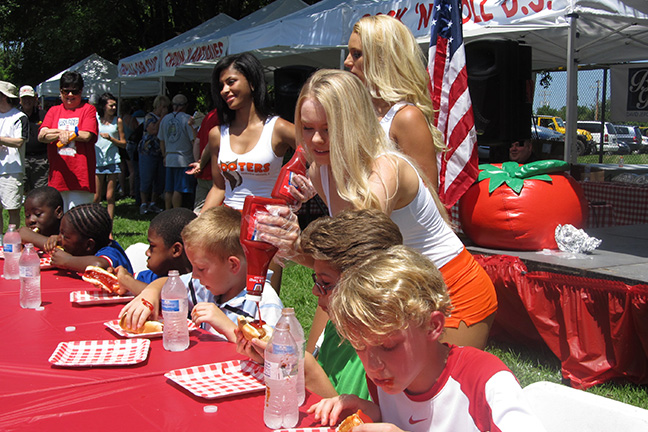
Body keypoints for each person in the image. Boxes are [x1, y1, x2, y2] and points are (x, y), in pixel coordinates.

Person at [292, 69, 497, 350]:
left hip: (450, 289)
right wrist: (290, 246)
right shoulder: (320, 171)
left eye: (328, 129)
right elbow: (346, 265)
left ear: (353, 123)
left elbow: (358, 256)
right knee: (321, 367)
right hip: (393, 287)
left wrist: (296, 245)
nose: (316, 140)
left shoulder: (384, 169)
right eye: (308, 128)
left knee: (434, 390)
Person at [308, 246, 546, 432]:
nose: (372, 365)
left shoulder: (484, 381)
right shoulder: (387, 380)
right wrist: (373, 412)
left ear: (432, 326)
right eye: (359, 346)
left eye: (388, 346)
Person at [237, 208, 403, 400]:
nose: (315, 291)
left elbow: (360, 422)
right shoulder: (338, 327)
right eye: (316, 280)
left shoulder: (387, 354)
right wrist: (275, 361)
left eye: (326, 283)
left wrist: (307, 371)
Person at [118, 206, 283, 343]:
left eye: (201, 268)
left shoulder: (264, 303)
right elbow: (169, 283)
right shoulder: (204, 286)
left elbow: (274, 355)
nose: (194, 275)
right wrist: (150, 292)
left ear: (233, 265)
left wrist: (225, 326)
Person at [345, 15, 443, 190]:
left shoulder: (406, 117)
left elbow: (428, 196)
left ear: (382, 59)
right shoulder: (355, 112)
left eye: (357, 54)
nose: (347, 62)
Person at [202, 52, 296, 211]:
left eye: (231, 82)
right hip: (228, 225)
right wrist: (198, 226)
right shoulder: (217, 134)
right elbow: (218, 188)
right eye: (221, 86)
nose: (225, 90)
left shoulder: (278, 128)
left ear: (252, 83)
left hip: (267, 226)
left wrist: (299, 188)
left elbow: (319, 157)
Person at [38, 71, 98, 211]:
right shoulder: (53, 111)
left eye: (74, 91)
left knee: (78, 223)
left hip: (81, 179)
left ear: (81, 91)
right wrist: (62, 133)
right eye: (66, 91)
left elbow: (87, 135)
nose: (70, 95)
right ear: (61, 91)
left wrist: (54, 132)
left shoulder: (88, 109)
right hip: (57, 179)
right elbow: (42, 135)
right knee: (57, 223)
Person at [114, 208, 195, 296]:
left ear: (176, 250)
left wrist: (127, 281)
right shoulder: (154, 276)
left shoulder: (198, 284)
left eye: (152, 247)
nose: (147, 253)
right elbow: (136, 281)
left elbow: (166, 297)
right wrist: (116, 277)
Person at [45, 203, 133, 274]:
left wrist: (67, 260)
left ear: (89, 245)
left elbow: (99, 266)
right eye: (60, 233)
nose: (60, 239)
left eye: (65, 236)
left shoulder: (111, 252)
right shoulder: (89, 247)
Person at [157, 94, 196, 210]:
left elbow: (162, 140)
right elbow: (193, 140)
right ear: (185, 106)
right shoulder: (188, 119)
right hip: (184, 159)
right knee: (178, 189)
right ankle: (176, 213)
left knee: (169, 189)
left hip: (169, 158)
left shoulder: (165, 119)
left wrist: (164, 155)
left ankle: (167, 211)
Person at [94, 93, 127, 219]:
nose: (114, 108)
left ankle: (109, 227)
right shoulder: (95, 119)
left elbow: (124, 143)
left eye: (115, 106)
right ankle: (96, 222)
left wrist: (111, 139)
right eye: (111, 105)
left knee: (110, 196)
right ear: (103, 106)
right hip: (97, 160)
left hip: (113, 160)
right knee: (96, 196)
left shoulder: (117, 121)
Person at [0, 80, 28, 228]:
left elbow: (19, 142)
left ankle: (13, 244)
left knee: (13, 209)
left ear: (4, 96)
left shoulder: (19, 117)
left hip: (12, 171)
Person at [139, 95, 169, 214]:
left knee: (159, 178)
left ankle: (153, 203)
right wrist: (161, 118)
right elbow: (153, 130)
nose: (166, 109)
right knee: (146, 177)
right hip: (147, 152)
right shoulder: (149, 117)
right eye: (164, 106)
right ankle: (143, 203)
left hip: (160, 152)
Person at [186, 107, 219, 213]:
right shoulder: (223, 117)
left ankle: (194, 229)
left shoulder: (209, 116)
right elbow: (211, 145)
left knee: (198, 210)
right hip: (216, 175)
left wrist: (198, 163)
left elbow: (197, 141)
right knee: (215, 212)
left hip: (203, 173)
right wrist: (201, 164)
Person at [19, 85, 48, 192]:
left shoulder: (43, 115)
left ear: (35, 99)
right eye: (24, 98)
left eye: (30, 98)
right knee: (22, 192)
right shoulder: (15, 116)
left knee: (40, 192)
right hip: (22, 158)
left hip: (41, 160)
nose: (27, 101)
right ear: (20, 100)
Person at [18, 186, 64, 250]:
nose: (31, 220)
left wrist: (32, 238)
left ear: (58, 212)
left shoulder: (69, 234)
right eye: (27, 215)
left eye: (38, 214)